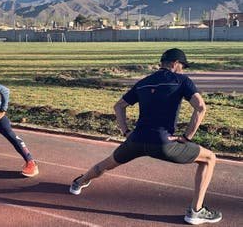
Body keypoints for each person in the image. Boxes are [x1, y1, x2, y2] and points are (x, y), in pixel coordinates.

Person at [69, 48, 222, 225]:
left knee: (106, 164)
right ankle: (196, 212)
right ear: (174, 64)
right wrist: (187, 137)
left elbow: (119, 106)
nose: (183, 69)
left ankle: (78, 183)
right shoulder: (182, 81)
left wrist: (126, 132)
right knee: (210, 158)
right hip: (163, 144)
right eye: (182, 66)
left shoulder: (143, 82)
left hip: (136, 141)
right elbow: (201, 108)